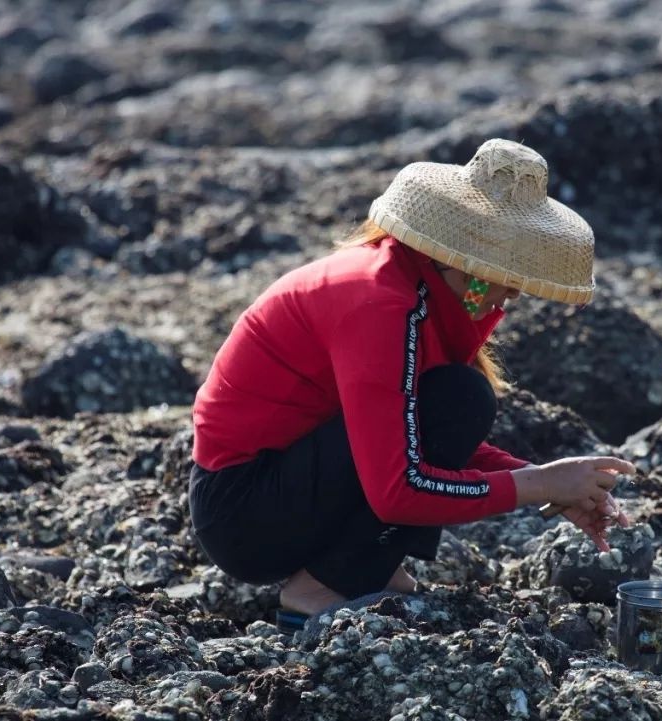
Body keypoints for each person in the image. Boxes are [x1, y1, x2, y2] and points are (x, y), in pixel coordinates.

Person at [189, 138, 636, 629]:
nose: (510, 293)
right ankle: (322, 586)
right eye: (505, 276)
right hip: (244, 513)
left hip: (273, 489)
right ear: (465, 262)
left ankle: (365, 565)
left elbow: (409, 431)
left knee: (455, 399)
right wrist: (538, 484)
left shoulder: (404, 280)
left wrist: (555, 485)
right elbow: (398, 490)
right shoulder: (379, 304)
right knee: (462, 398)